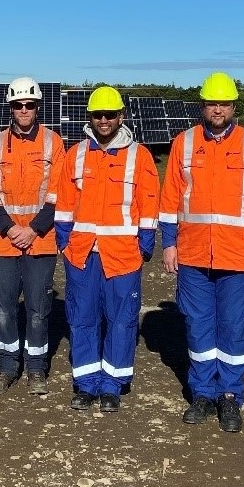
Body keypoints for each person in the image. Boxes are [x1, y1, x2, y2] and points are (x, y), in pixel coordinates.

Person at [159, 72, 244, 433]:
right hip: (194, 254)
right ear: (203, 106)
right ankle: (202, 393)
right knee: (197, 326)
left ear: (233, 106)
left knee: (234, 327)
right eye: (212, 103)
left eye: (224, 104)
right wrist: (169, 243)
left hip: (238, 255)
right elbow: (171, 197)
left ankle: (230, 395)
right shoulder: (185, 142)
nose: (218, 110)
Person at [54, 86, 158, 413]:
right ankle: (86, 384)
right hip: (82, 254)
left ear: (121, 116)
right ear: (90, 117)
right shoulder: (76, 155)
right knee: (82, 318)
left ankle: (112, 384)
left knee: (121, 320)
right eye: (98, 115)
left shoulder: (139, 156)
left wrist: (144, 245)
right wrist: (64, 241)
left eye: (110, 114)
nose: (103, 120)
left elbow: (149, 203)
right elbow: (64, 205)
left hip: (123, 255)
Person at [0, 77, 65, 396]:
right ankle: (7, 367)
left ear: (38, 106)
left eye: (30, 104)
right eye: (18, 105)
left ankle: (36, 368)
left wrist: (32, 230)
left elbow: (58, 195)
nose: (24, 110)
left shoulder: (52, 143)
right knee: (3, 308)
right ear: (11, 108)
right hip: (4, 242)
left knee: (38, 309)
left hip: (40, 241)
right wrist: (12, 229)